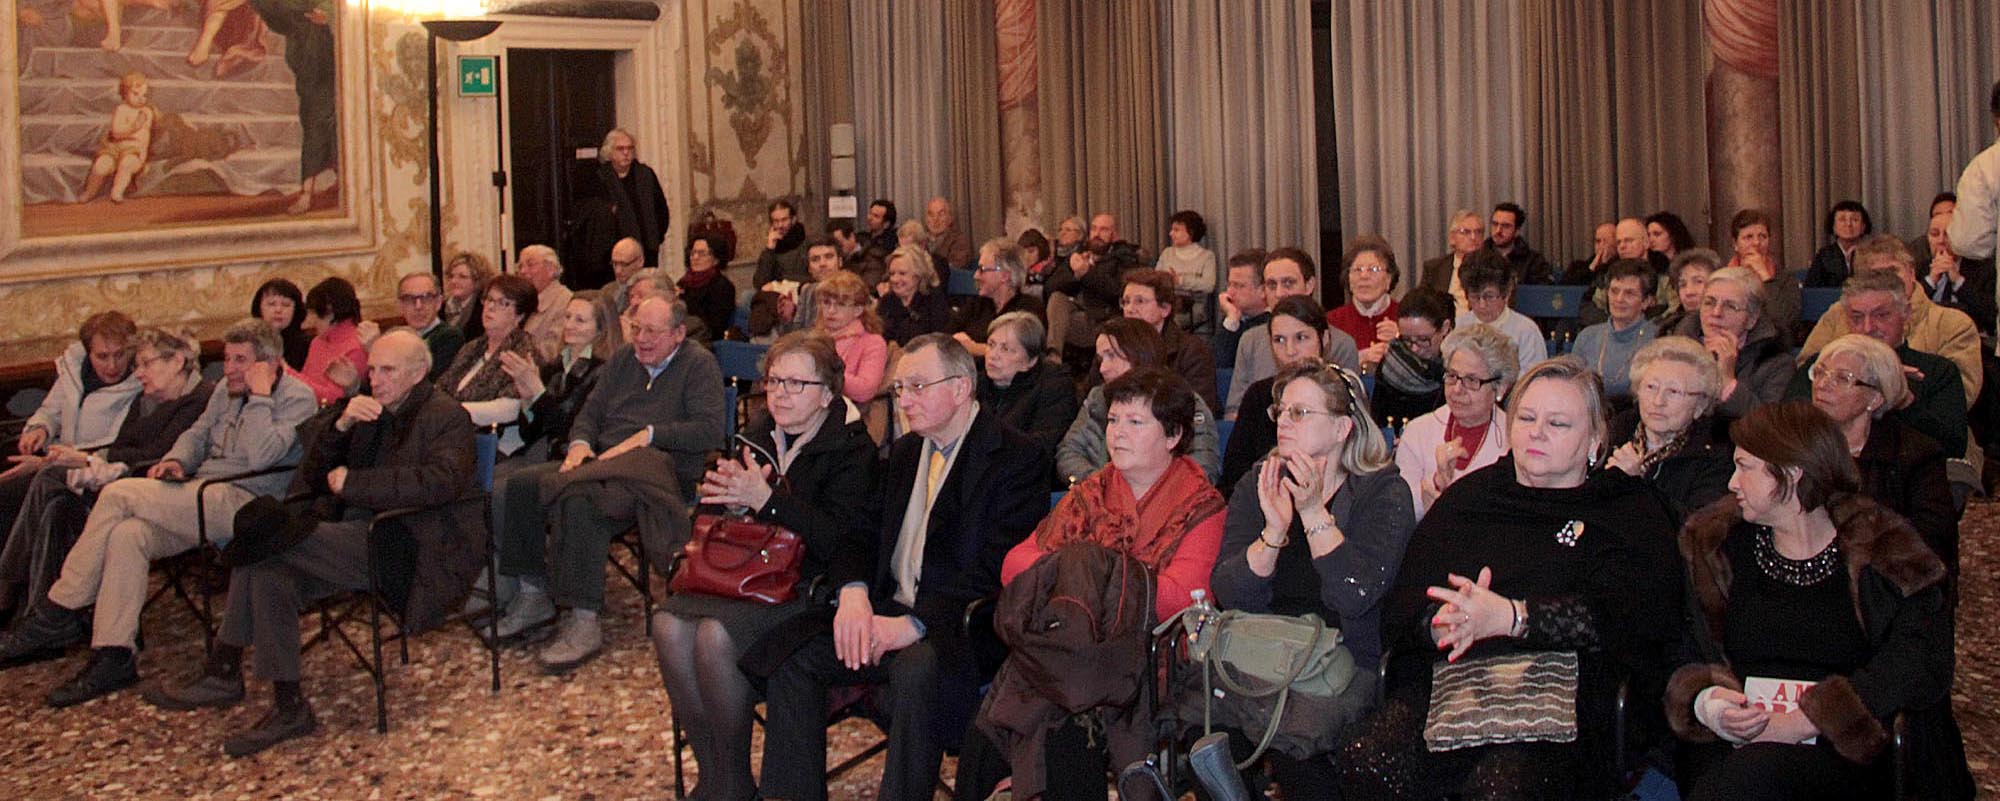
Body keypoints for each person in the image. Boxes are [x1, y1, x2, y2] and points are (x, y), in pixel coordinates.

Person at [1338, 357, 1682, 799]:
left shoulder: (1624, 511)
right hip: (1455, 684)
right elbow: (1407, 604)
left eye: (1558, 423)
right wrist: (1440, 623)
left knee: (1501, 785)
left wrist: (1514, 617)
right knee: (1367, 756)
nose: (1537, 432)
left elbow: (1635, 619)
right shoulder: (1472, 498)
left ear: (1595, 440)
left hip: (1569, 696)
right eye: (1526, 418)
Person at [147, 330, 483, 757]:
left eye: (388, 371)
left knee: (264, 538)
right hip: (355, 535)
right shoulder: (369, 409)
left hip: (412, 544)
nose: (375, 379)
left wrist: (355, 484)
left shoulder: (446, 415)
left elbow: (440, 483)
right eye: (373, 369)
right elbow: (311, 471)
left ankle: (225, 668)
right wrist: (341, 425)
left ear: (418, 373)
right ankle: (287, 704)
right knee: (269, 570)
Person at [757, 334, 1046, 801]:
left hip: (959, 625)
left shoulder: (1015, 457)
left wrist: (913, 624)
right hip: (888, 607)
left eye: (917, 386)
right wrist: (853, 592)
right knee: (792, 656)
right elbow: (860, 532)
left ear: (960, 388)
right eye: (898, 389)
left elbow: (995, 569)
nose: (904, 401)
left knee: (916, 669)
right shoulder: (907, 451)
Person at [1666, 402, 1972, 801]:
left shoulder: (1882, 549)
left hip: (1845, 745)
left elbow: (1921, 657)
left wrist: (1809, 719)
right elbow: (1681, 644)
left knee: (1750, 777)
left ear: (1792, 473)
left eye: (1745, 467)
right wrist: (1710, 702)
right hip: (1737, 737)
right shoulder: (1715, 546)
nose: (1732, 483)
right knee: (1734, 774)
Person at [0, 320, 317, 704]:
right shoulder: (225, 391)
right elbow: (197, 434)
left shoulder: (298, 398)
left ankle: (58, 608)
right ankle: (113, 654)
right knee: (128, 535)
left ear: (269, 363)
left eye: (241, 360)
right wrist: (176, 460)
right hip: (201, 493)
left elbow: (262, 456)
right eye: (228, 358)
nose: (230, 368)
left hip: (248, 503)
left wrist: (261, 397)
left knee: (117, 494)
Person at [957, 367, 1227, 801]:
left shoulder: (1201, 506)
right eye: (1114, 420)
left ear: (1173, 435)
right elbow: (1016, 564)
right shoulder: (1092, 492)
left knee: (1040, 704)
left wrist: (1091, 574)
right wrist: (1081, 573)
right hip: (1073, 652)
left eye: (1135, 422)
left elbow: (1182, 599)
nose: (1117, 433)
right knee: (1045, 702)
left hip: (1151, 659)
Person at [652, 332, 878, 801]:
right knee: (667, 625)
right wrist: (729, 504)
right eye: (774, 381)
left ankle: (731, 782)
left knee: (714, 637)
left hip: (806, 588)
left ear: (827, 394)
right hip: (741, 575)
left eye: (796, 384)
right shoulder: (755, 434)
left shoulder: (853, 450)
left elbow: (841, 540)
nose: (780, 394)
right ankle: (719, 776)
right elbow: (709, 515)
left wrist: (768, 502)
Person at [1205, 361, 1415, 798]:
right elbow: (1228, 592)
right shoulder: (1260, 482)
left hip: (1339, 660)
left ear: (1341, 428)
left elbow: (1355, 595)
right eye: (1281, 411)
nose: (1283, 421)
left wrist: (1314, 513)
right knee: (1207, 738)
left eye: (1300, 413)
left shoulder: (1383, 492)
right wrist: (1274, 532)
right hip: (1261, 649)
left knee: (1295, 749)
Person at [489, 298, 724, 672]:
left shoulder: (699, 365)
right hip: (600, 460)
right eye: (637, 329)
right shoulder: (624, 359)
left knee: (579, 499)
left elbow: (710, 430)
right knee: (517, 485)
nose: (641, 339)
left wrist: (651, 434)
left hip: (655, 470)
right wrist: (580, 442)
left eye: (653, 331)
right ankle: (534, 593)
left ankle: (584, 620)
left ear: (679, 333)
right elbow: (591, 412)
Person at [0, 329, 211, 623]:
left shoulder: (200, 400)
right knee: (55, 504)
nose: (137, 373)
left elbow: (158, 454)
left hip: (151, 495)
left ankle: (16, 591)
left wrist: (87, 458)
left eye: (145, 364)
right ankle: (41, 614)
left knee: (49, 479)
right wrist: (86, 456)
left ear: (177, 362)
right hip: (113, 481)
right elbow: (122, 447)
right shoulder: (146, 400)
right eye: (137, 365)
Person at [1802, 335, 1958, 587]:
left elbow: (1931, 540)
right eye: (1819, 372)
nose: (1822, 384)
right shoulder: (1795, 443)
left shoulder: (1916, 455)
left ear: (1875, 399)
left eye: (1842, 378)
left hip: (1883, 585)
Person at [1787, 271, 1967, 457]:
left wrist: (1903, 399)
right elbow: (1787, 423)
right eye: (1857, 317)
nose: (1868, 328)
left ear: (1906, 313)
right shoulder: (1822, 367)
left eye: (1881, 315)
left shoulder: (1937, 371)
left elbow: (1953, 447)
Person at [1801, 234, 1984, 412]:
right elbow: (1806, 371)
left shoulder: (1953, 325)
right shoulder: (1838, 315)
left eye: (1892, 272)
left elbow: (1959, 397)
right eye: (1874, 274)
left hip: (1922, 426)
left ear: (1911, 272)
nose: (1885, 281)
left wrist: (1890, 385)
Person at [1058, 319, 1222, 487]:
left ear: (1139, 355)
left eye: (1111, 356)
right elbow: (1068, 452)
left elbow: (1204, 469)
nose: (1102, 368)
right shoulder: (1097, 398)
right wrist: (1103, 485)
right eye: (1101, 359)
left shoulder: (1184, 401)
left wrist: (1146, 490)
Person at [1605, 337, 1732, 527]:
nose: (1658, 401)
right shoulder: (1614, 431)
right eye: (1651, 387)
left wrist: (1638, 487)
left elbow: (1697, 530)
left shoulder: (1715, 455)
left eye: (1673, 391)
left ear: (1700, 405)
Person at [1394, 324, 1516, 518]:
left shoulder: (1515, 438)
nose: (1457, 389)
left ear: (1500, 388)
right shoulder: (1417, 432)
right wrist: (1435, 483)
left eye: (1471, 380)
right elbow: (1398, 511)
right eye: (1452, 376)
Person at [1225, 248, 1360, 418]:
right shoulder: (1250, 340)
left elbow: (1350, 413)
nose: (1280, 293)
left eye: (1288, 283)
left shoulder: (1341, 343)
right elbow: (1234, 412)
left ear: (1309, 285)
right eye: (1272, 285)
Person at [1221, 296, 1333, 495]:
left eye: (1301, 338)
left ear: (1323, 339)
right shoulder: (1258, 396)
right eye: (1279, 340)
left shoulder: (1341, 393)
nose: (1290, 351)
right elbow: (1233, 477)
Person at [1677, 266, 1793, 420]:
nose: (1716, 313)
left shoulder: (1776, 364)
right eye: (1709, 303)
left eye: (1730, 306)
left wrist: (1728, 383)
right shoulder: (1676, 348)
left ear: (1751, 319)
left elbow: (1768, 427)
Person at [434, 274, 540, 428]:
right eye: (489, 299)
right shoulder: (472, 347)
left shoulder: (524, 351)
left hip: (492, 436)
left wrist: (453, 412)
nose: (490, 307)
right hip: (451, 427)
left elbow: (509, 409)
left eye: (503, 303)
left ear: (520, 315)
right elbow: (442, 385)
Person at [974, 312, 1077, 462]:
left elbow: (1042, 447)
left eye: (1006, 349)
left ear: (1031, 360)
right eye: (991, 344)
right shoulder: (973, 380)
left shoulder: (1054, 387)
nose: (992, 355)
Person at [1117, 269, 1221, 412]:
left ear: (1165, 309)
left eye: (1140, 301)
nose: (1129, 309)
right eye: (1126, 302)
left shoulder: (1192, 351)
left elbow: (1198, 410)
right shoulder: (1113, 347)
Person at [572, 128, 670, 278]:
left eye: (630, 148)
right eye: (620, 149)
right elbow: (586, 213)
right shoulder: (598, 178)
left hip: (646, 253)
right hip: (611, 259)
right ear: (609, 152)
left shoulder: (645, 175)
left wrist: (656, 238)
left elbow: (661, 210)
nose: (626, 153)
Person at [1570, 259, 1658, 405]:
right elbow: (1572, 388)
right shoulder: (1587, 337)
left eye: (1629, 293)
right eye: (1614, 291)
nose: (1619, 299)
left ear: (1646, 301)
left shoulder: (1656, 340)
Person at [1452, 247, 1547, 377]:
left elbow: (1534, 378)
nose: (1482, 305)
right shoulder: (1459, 327)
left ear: (1506, 294)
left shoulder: (1526, 331)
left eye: (1489, 296)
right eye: (1474, 296)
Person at [1369, 287, 1454, 427]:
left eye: (1423, 339)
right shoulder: (1390, 366)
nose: (1414, 348)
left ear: (1445, 328)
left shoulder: (1457, 372)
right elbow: (1378, 423)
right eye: (1406, 339)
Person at [951, 238, 1045, 359]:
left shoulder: (1029, 310)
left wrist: (975, 348)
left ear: (1005, 276)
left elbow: (1022, 354)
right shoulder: (977, 303)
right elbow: (948, 333)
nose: (976, 275)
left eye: (982, 269)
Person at [1723, 209, 1802, 343]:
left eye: (1762, 237)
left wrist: (1765, 278)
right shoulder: (1721, 279)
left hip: (1772, 344)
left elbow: (1786, 321)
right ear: (1735, 244)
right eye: (1748, 237)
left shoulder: (1785, 279)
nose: (1756, 243)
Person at [812, 271, 888, 406]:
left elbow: (866, 390)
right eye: (826, 303)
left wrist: (824, 374)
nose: (831, 310)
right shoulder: (813, 339)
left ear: (858, 310)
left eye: (840, 304)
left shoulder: (873, 343)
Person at [78, 72, 155, 204]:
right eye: (135, 94)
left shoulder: (146, 112)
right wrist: (134, 127)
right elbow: (116, 133)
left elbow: (144, 139)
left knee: (127, 164)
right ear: (124, 93)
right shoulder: (121, 109)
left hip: (134, 152)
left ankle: (117, 191)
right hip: (114, 149)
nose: (140, 98)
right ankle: (89, 192)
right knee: (101, 166)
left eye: (144, 95)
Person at [1923, 207, 1997, 338]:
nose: (1941, 240)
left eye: (1947, 234)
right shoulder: (1920, 268)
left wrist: (1958, 281)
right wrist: (1931, 280)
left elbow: (1991, 316)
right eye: (1934, 234)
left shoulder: (1983, 268)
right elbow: (1909, 310)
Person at [1332, 234, 1401, 366]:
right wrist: (1357, 358)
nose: (1364, 276)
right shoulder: (1332, 322)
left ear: (1389, 279)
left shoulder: (1405, 318)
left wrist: (1400, 340)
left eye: (1373, 269)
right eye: (1358, 269)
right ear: (1348, 279)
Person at [298, 277, 368, 405]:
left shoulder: (357, 346)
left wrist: (287, 373)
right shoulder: (317, 342)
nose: (312, 321)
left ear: (330, 311)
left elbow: (334, 398)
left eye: (315, 314)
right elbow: (303, 382)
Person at [389, 272, 463, 381]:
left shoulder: (450, 337)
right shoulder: (394, 337)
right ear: (400, 306)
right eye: (409, 299)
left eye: (426, 298)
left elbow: (430, 381)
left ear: (438, 302)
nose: (418, 306)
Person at [878, 245, 954, 347]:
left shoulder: (934, 302)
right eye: (892, 274)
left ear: (918, 275)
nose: (895, 279)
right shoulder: (887, 301)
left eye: (902, 273)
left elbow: (939, 343)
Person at [1157, 210, 1219, 327]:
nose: (1171, 234)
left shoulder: (1206, 256)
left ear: (1190, 233)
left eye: (1176, 230)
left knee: (1169, 322)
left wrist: (1180, 281)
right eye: (1172, 230)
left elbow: (1209, 285)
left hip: (1192, 307)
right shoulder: (1167, 253)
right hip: (1167, 302)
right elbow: (1156, 279)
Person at [1212, 249, 1271, 370]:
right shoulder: (1234, 315)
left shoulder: (1272, 324)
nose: (1230, 292)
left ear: (1263, 290)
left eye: (1239, 286)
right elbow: (1214, 365)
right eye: (1229, 284)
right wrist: (1231, 319)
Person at [1418, 209, 1485, 312]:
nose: (1473, 237)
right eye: (1466, 232)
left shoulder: (1492, 268)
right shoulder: (1434, 268)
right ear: (1452, 238)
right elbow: (1421, 305)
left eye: (1478, 232)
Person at [517, 245, 576, 362]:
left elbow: (552, 351)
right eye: (520, 266)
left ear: (551, 269)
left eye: (530, 265)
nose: (523, 271)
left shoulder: (565, 301)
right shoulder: (521, 301)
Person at [678, 233, 740, 343]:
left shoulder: (723, 286)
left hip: (705, 339)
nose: (695, 257)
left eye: (702, 253)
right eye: (693, 253)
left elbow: (715, 326)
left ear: (716, 259)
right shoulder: (683, 283)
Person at [1655, 248, 1722, 337]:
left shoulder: (1727, 327)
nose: (1689, 292)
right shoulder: (1667, 327)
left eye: (1698, 281)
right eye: (1682, 285)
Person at [1487, 202, 1557, 285]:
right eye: (1495, 224)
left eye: (1506, 226)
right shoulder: (1478, 257)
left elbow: (1543, 290)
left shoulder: (1533, 262)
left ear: (1517, 231)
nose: (1498, 230)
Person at [1805, 200, 1872, 288]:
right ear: (1833, 227)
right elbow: (1811, 289)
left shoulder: (1873, 253)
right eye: (1842, 220)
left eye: (1855, 220)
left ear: (1863, 227)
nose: (1848, 224)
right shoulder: (1824, 256)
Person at [251, 278, 311, 369]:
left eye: (286, 305)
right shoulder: (249, 341)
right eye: (271, 304)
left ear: (296, 310)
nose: (278, 310)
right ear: (259, 308)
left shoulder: (307, 345)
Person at [754, 199, 811, 289]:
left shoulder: (807, 244)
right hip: (776, 293)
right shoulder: (771, 249)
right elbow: (759, 283)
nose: (780, 225)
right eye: (776, 221)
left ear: (793, 219)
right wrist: (769, 249)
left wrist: (781, 282)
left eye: (784, 220)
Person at [441, 251, 494, 339]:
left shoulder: (484, 308)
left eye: (462, 277)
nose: (454, 281)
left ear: (477, 280)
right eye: (451, 276)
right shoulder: (440, 308)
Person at [924, 196, 975, 269]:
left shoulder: (959, 241)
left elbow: (954, 268)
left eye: (941, 214)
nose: (935, 219)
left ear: (950, 218)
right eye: (931, 214)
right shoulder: (920, 239)